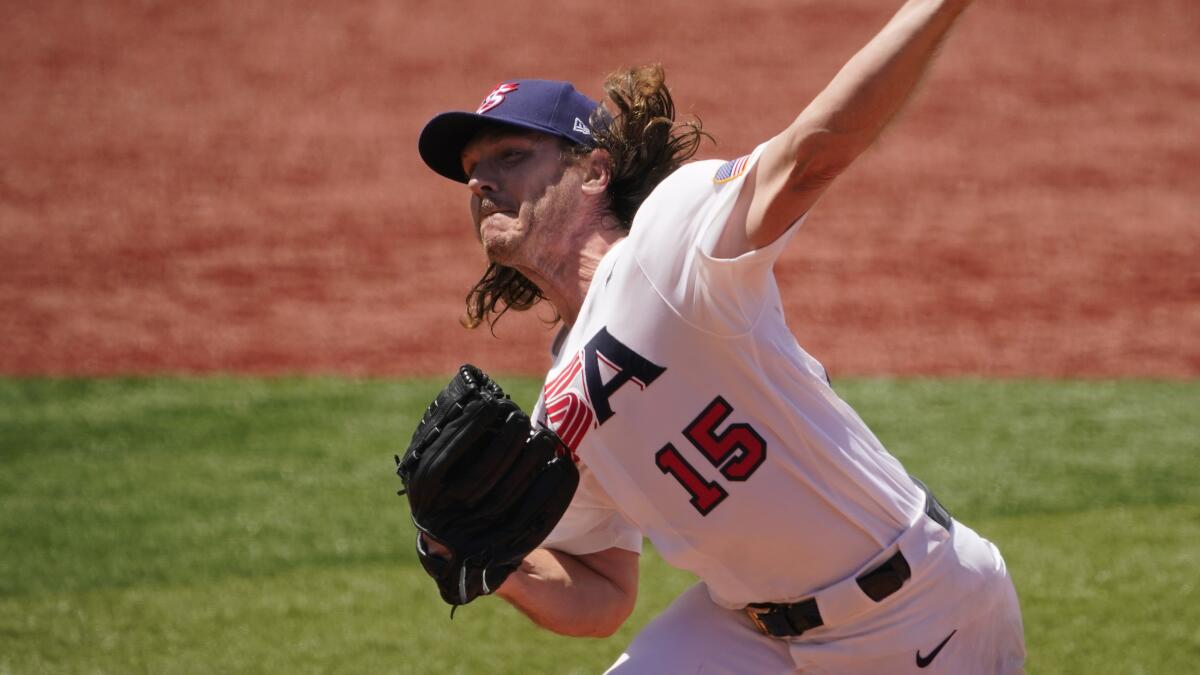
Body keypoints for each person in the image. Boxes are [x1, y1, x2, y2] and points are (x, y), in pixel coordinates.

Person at [416, 0, 1025, 672]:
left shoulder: (669, 241)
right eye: (471, 169)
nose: (479, 179)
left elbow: (812, 155)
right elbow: (605, 593)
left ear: (593, 171)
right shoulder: (558, 405)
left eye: (509, 154)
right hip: (749, 631)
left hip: (916, 606)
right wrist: (483, 562)